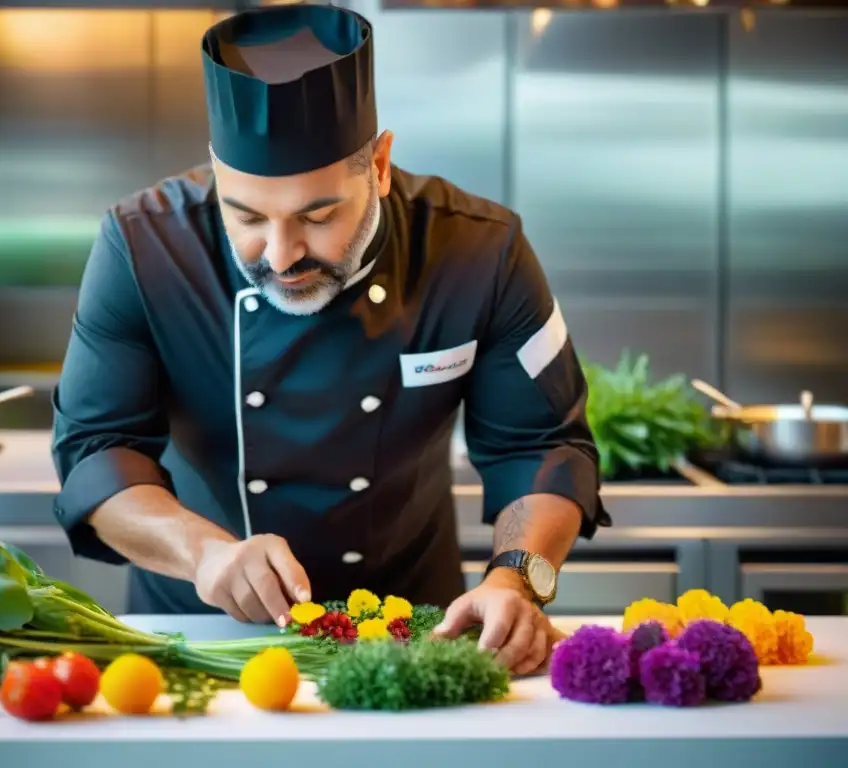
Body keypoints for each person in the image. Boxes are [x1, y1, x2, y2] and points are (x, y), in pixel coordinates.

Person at [50, 3, 610, 674]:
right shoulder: (143, 249)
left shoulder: (480, 252)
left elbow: (543, 445)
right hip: (202, 642)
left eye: (318, 216)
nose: (282, 255)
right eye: (247, 215)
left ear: (378, 165)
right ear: (214, 171)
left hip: (417, 640)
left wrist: (516, 578)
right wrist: (206, 554)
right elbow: (95, 451)